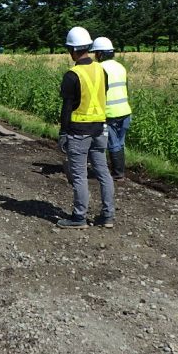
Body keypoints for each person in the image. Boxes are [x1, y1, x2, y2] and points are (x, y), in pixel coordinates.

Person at [57, 27, 115, 229]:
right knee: (103, 173)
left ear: (72, 49)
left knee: (79, 175)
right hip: (100, 129)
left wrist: (63, 133)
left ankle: (79, 217)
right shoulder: (101, 70)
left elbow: (67, 108)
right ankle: (108, 216)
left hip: (79, 132)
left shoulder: (72, 75)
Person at [90, 36, 131, 179]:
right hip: (125, 111)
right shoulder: (121, 67)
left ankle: (118, 173)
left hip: (110, 113)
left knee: (113, 143)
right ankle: (120, 170)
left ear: (100, 54)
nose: (95, 56)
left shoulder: (99, 68)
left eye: (95, 53)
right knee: (120, 142)